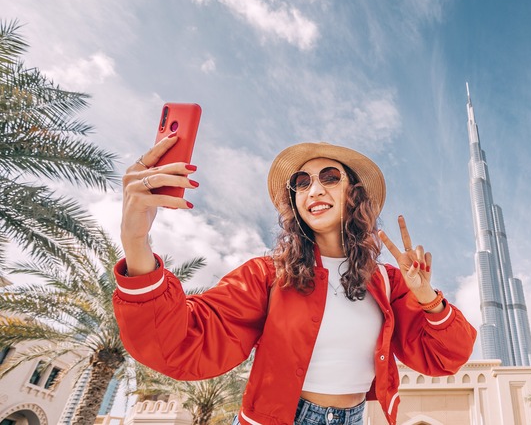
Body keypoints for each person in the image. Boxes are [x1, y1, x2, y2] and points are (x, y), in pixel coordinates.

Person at [113, 137, 477, 425]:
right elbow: (180, 342)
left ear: (354, 193)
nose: (314, 190)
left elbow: (445, 358)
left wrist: (428, 298)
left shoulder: (387, 281)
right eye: (302, 183)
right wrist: (136, 242)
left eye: (329, 177)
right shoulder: (267, 275)